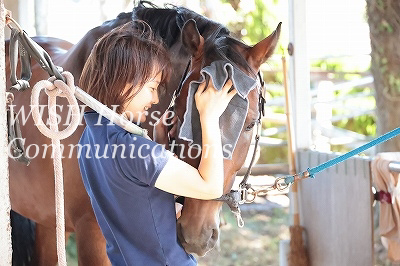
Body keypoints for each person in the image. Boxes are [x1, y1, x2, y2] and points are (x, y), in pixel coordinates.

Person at [78, 21, 236, 266]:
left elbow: (136, 198)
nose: (154, 99)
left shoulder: (88, 140)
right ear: (123, 81)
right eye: (152, 87)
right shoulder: (136, 150)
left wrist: (159, 142)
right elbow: (211, 187)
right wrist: (209, 117)